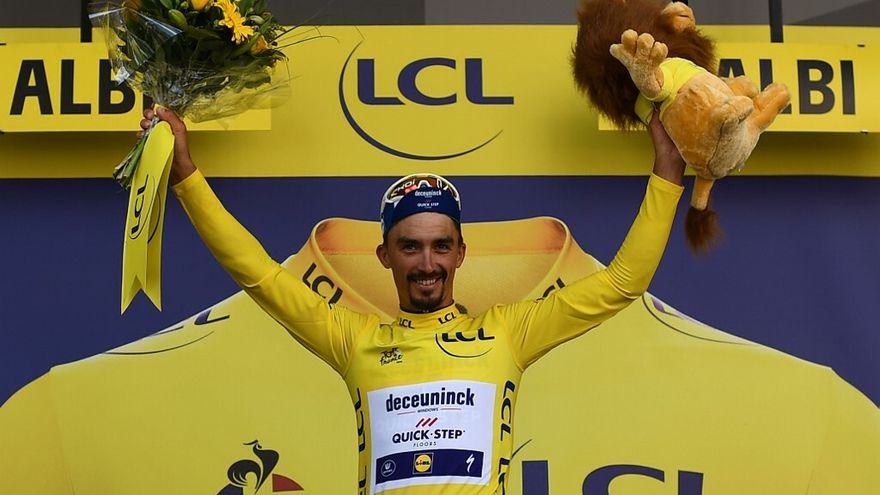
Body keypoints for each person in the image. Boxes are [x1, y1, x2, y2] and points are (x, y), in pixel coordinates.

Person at [141, 105, 685, 494]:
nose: (427, 263)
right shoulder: (356, 340)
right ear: (385, 255)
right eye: (410, 247)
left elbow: (622, 283)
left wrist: (668, 172)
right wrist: (186, 174)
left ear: (461, 253)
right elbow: (258, 274)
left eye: (441, 246)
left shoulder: (507, 333)